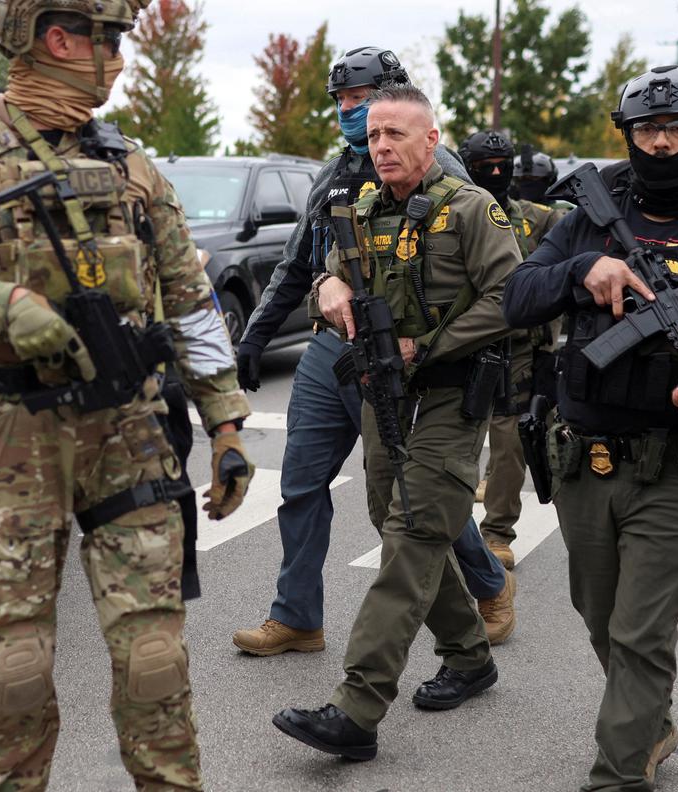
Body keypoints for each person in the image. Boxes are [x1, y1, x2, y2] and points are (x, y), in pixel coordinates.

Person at [0, 2, 253, 789]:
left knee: (155, 660)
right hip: (13, 440)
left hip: (130, 434)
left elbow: (188, 300)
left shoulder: (133, 169)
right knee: (14, 675)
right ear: (59, 39)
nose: (117, 59)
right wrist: (1, 309)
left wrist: (226, 424)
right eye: (109, 40)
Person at [503, 65, 678, 790]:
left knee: (639, 633)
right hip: (585, 463)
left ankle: (619, 773)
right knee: (600, 618)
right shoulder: (586, 219)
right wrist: (583, 270)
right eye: (646, 130)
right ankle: (653, 725)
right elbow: (516, 297)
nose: (661, 144)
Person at [230, 47, 510, 655]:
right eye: (342, 104)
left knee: (420, 490)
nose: (351, 114)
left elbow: (478, 279)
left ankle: (489, 583)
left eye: (361, 101)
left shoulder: (445, 174)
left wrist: (433, 348)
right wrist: (255, 334)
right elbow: (300, 262)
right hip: (330, 351)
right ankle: (297, 615)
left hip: (403, 358)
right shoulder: (333, 177)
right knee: (301, 484)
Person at [273, 84, 520, 761]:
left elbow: (510, 298)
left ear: (430, 139)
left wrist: (429, 346)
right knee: (399, 515)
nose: (381, 145)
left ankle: (357, 706)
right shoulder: (357, 213)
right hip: (383, 387)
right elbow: (329, 278)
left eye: (396, 135)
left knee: (412, 533)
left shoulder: (472, 209)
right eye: (374, 135)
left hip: (449, 390)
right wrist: (328, 289)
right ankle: (469, 657)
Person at [460, 133, 565, 588]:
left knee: (509, 445)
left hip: (518, 351)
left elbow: (574, 239)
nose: (497, 173)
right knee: (455, 443)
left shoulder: (534, 218)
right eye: (486, 164)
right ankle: (451, 530)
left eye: (504, 164)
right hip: (464, 345)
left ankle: (497, 531)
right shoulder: (452, 213)